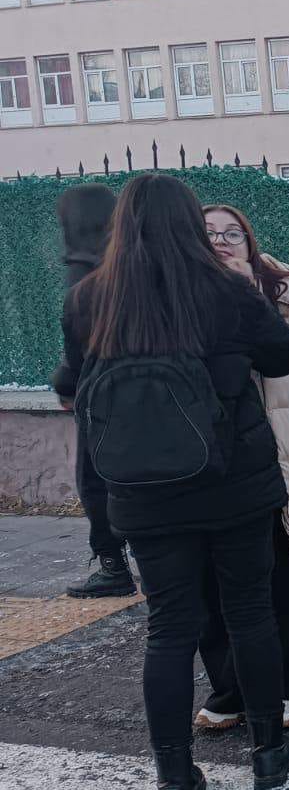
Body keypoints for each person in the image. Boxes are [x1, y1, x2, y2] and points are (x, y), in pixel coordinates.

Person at [56, 173, 289, 790]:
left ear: (122, 227)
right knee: (250, 612)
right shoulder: (223, 289)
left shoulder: (89, 300)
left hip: (143, 496)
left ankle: (173, 781)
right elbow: (285, 356)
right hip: (235, 484)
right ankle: (270, 753)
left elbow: (69, 385)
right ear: (191, 225)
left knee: (170, 631)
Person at [194, 205, 289, 732]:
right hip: (212, 463)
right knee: (212, 582)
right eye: (209, 233)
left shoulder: (285, 299)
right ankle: (232, 686)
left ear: (250, 242)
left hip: (280, 458)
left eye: (232, 232)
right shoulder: (181, 297)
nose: (221, 242)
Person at [50, 182, 135, 600]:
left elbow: (79, 353)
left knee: (96, 482)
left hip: (101, 401)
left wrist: (64, 384)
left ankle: (112, 564)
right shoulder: (134, 262)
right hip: (151, 394)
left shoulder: (82, 274)